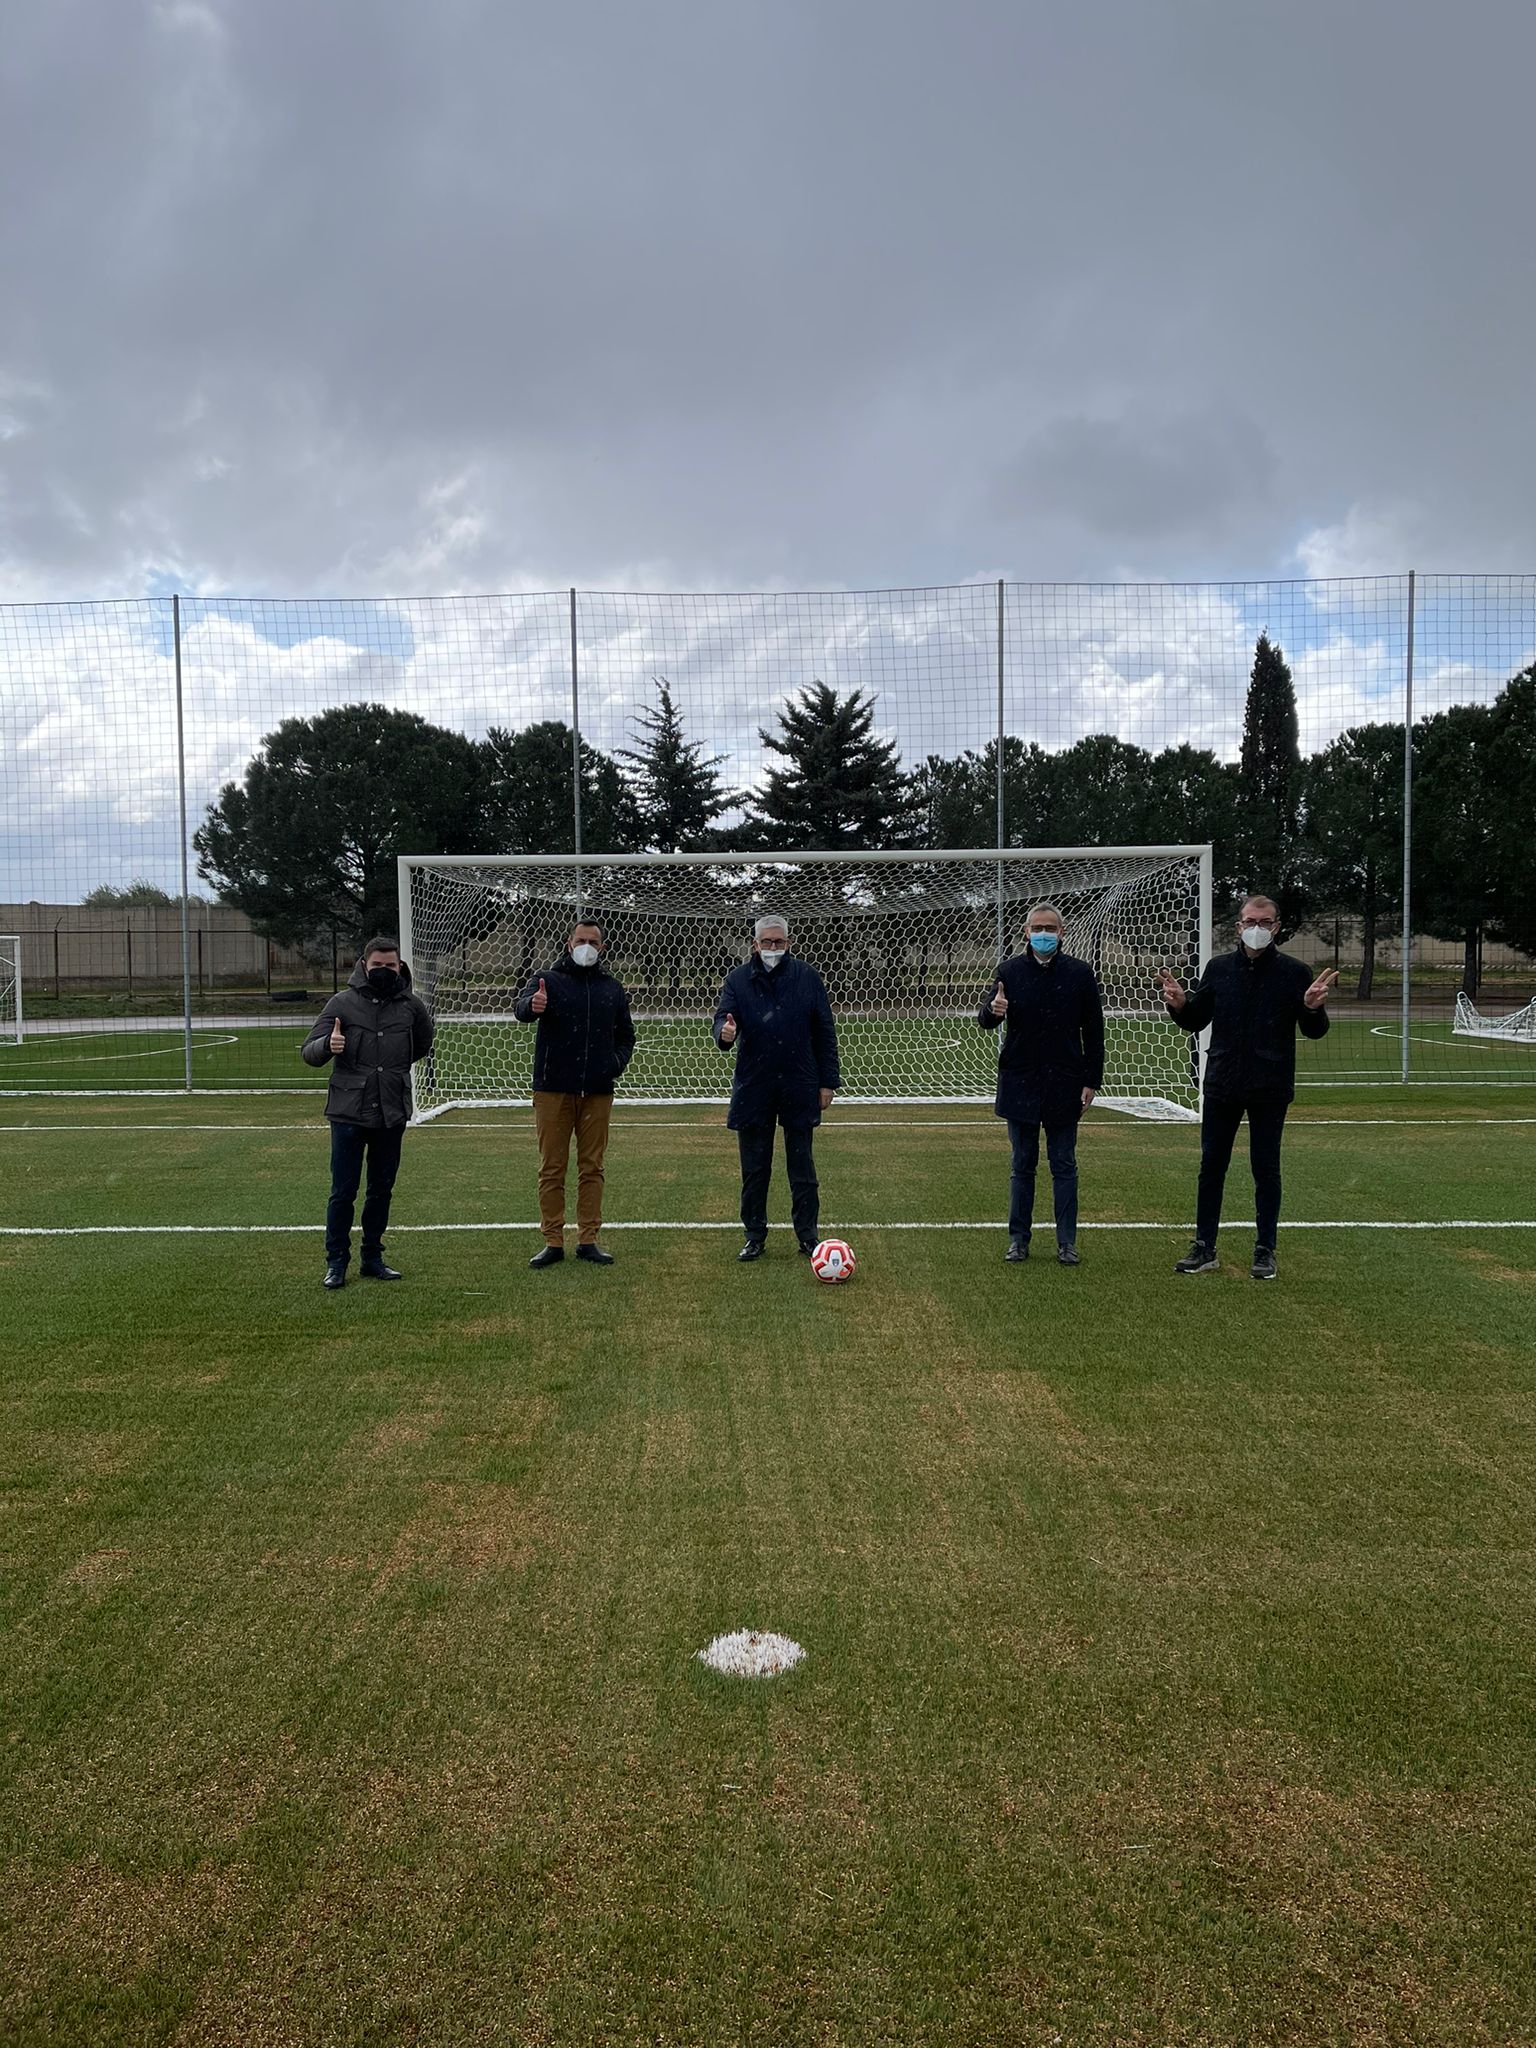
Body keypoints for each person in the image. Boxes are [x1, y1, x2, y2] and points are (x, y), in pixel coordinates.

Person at [1157, 893, 1337, 1280]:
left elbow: (1315, 1031)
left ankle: (1265, 1249)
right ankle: (1204, 1246)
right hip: (1222, 1082)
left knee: (1266, 1168)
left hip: (1270, 1085)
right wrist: (1180, 1004)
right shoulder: (1218, 968)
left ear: (1277, 927)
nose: (1257, 928)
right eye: (1250, 922)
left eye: (1265, 922)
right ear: (1238, 926)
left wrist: (1311, 1007)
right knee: (1211, 1166)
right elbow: (1195, 1020)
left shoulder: (1294, 973)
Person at [301, 935, 435, 1290]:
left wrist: (388, 1072)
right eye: (378, 965)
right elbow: (308, 1052)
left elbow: (422, 1045)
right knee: (342, 1191)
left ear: (400, 967)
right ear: (364, 965)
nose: (384, 970)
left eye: (390, 965)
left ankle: (372, 1257)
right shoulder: (341, 1004)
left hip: (391, 1112)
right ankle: (336, 1262)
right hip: (348, 1113)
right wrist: (328, 1045)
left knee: (381, 1189)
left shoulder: (412, 1007)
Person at [979, 901, 1105, 1266]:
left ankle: (1067, 1243)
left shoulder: (1080, 974)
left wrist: (1091, 1080)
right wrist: (993, 1011)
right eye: (1038, 928)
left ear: (1061, 932)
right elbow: (985, 1018)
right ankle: (1018, 1240)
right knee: (1022, 1164)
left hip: (1065, 1082)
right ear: (1026, 932)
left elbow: (1094, 1032)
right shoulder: (1009, 971)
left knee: (1064, 1164)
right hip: (1020, 1081)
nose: (1044, 934)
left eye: (1050, 929)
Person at [713, 915, 840, 1261]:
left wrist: (828, 1081)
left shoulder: (807, 977)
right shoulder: (738, 980)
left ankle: (808, 1236)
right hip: (755, 1085)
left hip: (800, 1082)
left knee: (803, 1169)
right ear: (755, 944)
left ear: (788, 943)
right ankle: (754, 1236)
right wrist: (725, 1033)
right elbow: (723, 1019)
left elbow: (824, 1031)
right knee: (755, 1169)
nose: (773, 947)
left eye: (778, 942)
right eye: (767, 942)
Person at [513, 917, 635, 1268]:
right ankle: (552, 1240)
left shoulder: (612, 988)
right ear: (569, 944)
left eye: (593, 942)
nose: (586, 947)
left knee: (592, 1167)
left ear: (602, 947)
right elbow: (522, 1009)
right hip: (553, 1090)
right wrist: (531, 1007)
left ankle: (588, 1239)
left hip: (598, 1091)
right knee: (552, 1167)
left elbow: (626, 1036)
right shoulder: (547, 980)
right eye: (581, 940)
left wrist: (613, 1065)